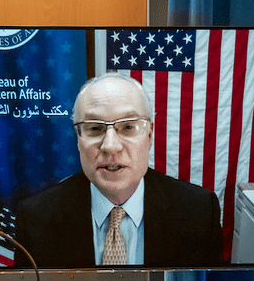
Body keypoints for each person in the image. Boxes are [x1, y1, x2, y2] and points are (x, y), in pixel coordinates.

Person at [14, 72, 223, 268]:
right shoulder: (35, 219)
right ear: (78, 139)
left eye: (128, 127)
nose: (111, 146)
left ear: (150, 134)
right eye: (95, 128)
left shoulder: (199, 213)